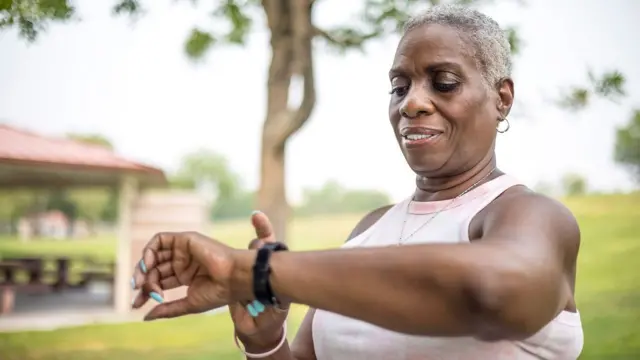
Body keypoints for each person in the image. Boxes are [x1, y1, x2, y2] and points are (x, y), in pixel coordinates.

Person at [130, 5, 583, 360]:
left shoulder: (530, 216)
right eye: (399, 86)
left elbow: (499, 295)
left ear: (502, 99)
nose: (412, 103)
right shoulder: (369, 228)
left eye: (443, 83)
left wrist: (253, 273)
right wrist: (264, 341)